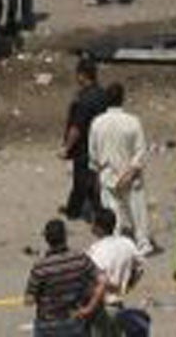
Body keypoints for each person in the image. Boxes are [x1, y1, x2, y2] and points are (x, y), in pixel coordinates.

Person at [90, 83, 151, 254]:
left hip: (107, 175)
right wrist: (129, 173)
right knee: (138, 213)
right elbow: (140, 152)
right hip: (131, 177)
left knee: (112, 213)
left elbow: (93, 155)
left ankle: (115, 246)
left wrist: (98, 175)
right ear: (122, 99)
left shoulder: (97, 123)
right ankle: (142, 243)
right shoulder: (133, 121)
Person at [77, 204, 145, 336]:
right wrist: (129, 285)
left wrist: (88, 307)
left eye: (94, 223)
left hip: (102, 308)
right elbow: (140, 268)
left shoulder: (95, 251)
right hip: (119, 305)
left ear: (99, 228)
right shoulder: (127, 244)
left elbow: (96, 282)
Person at [27, 218, 94, 337]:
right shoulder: (80, 258)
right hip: (74, 320)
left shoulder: (41, 267)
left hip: (48, 324)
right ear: (65, 237)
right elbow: (100, 281)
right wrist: (89, 307)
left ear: (47, 239)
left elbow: (29, 300)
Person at [60, 55, 106, 225]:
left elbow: (76, 128)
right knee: (90, 179)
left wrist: (66, 147)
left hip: (84, 147)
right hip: (100, 143)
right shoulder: (102, 94)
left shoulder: (83, 100)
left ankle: (80, 211)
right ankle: (76, 208)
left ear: (82, 75)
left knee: (82, 181)